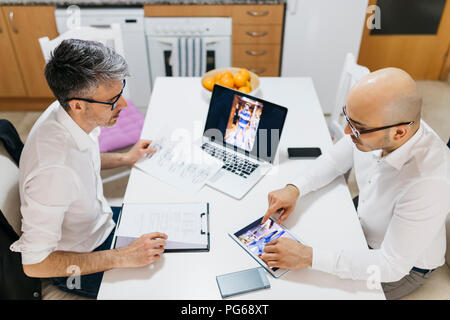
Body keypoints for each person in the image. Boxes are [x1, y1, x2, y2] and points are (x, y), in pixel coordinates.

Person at [260, 67, 450, 300]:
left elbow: (391, 265)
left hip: (404, 268)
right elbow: (333, 160)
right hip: (367, 219)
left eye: (358, 128)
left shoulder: (429, 182)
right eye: (347, 117)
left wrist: (308, 256)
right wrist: (294, 188)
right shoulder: (377, 125)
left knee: (306, 291)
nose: (348, 131)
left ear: (400, 133)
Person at [10, 39, 167, 299]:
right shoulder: (53, 172)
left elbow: (83, 160)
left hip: (101, 223)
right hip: (78, 261)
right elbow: (34, 264)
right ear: (78, 104)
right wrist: (121, 257)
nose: (124, 105)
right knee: (164, 287)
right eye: (113, 99)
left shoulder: (68, 114)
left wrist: (126, 157)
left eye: (121, 91)